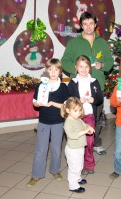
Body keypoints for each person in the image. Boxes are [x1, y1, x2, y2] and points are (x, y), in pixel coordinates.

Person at [61, 12, 113, 156]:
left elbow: (110, 62)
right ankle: (77, 143)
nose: (88, 27)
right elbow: (64, 61)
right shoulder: (74, 43)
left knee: (94, 118)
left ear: (95, 24)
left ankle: (94, 143)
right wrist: (77, 69)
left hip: (97, 88)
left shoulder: (102, 42)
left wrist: (101, 64)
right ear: (81, 25)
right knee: (76, 117)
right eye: (85, 24)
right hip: (78, 89)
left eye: (91, 23)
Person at [27, 58, 70, 188]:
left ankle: (55, 170)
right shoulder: (41, 85)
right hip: (44, 122)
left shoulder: (63, 87)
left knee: (56, 149)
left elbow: (66, 105)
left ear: (60, 72)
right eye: (50, 69)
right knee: (41, 149)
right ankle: (36, 174)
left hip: (58, 122)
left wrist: (52, 103)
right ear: (46, 71)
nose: (53, 72)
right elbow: (35, 102)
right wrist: (37, 103)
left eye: (56, 69)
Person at [67, 55, 104, 175]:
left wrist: (93, 100)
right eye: (81, 66)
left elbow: (99, 99)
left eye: (86, 66)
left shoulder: (94, 82)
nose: (84, 69)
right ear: (76, 68)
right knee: (78, 143)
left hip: (89, 116)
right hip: (76, 118)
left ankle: (89, 164)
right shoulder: (73, 83)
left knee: (89, 142)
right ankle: (79, 165)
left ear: (90, 68)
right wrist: (79, 101)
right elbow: (69, 101)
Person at [61, 97, 95, 193]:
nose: (78, 113)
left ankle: (78, 178)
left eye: (80, 110)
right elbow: (72, 135)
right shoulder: (68, 122)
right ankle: (73, 185)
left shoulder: (77, 119)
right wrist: (84, 131)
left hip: (79, 148)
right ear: (68, 110)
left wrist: (89, 127)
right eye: (75, 110)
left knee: (79, 165)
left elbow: (85, 125)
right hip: (73, 150)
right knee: (74, 168)